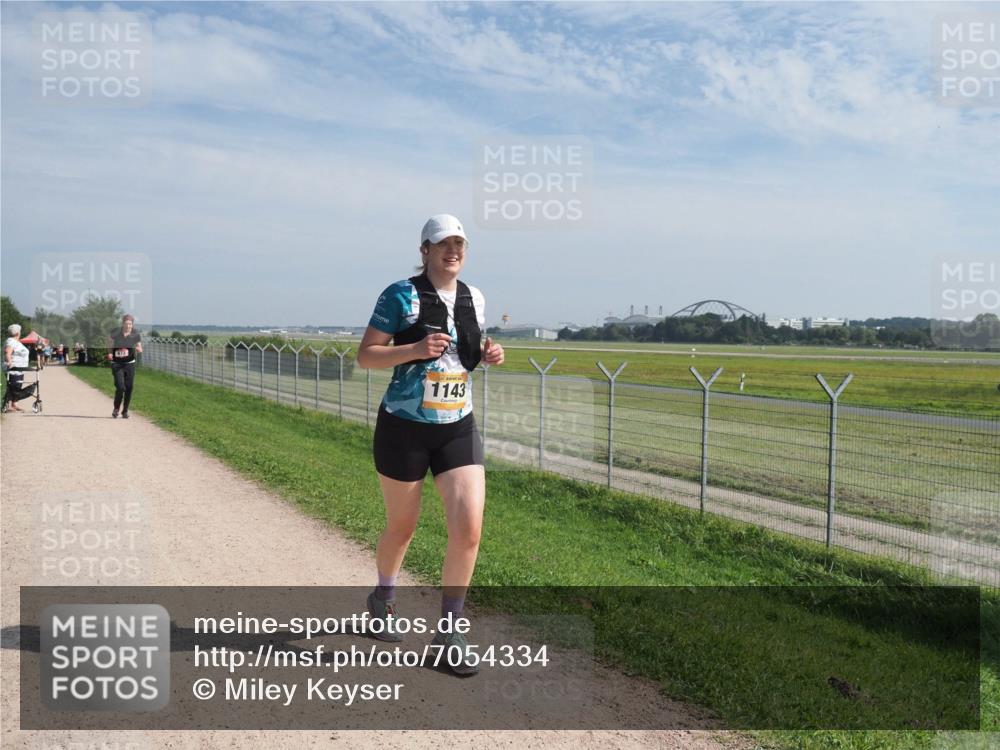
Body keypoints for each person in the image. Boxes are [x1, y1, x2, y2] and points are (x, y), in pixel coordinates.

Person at [357, 214, 505, 675]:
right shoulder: (399, 294)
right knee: (402, 528)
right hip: (404, 426)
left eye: (459, 243)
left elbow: (468, 350)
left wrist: (489, 351)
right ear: (425, 250)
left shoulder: (473, 297)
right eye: (443, 244)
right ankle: (383, 595)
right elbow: (366, 355)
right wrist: (414, 350)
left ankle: (449, 633)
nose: (452, 251)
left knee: (469, 529)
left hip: (456, 425)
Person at [107, 314, 143, 418]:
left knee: (129, 387)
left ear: (132, 324)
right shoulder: (115, 332)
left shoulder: (135, 334)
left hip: (129, 363)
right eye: (126, 324)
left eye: (130, 324)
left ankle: (125, 410)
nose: (128, 326)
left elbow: (139, 346)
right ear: (122, 324)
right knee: (120, 387)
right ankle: (116, 408)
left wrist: (139, 349)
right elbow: (109, 343)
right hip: (117, 363)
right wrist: (109, 352)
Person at [3, 324, 31, 412]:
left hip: (19, 369)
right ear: (18, 332)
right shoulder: (11, 341)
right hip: (14, 369)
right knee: (13, 386)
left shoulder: (16, 341)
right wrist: (10, 363)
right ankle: (9, 404)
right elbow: (8, 353)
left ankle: (14, 404)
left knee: (17, 385)